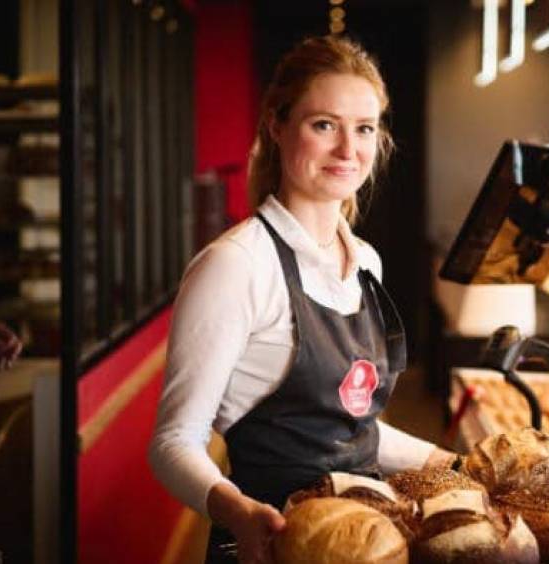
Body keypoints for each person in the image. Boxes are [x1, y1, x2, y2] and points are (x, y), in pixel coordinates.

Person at [148, 36, 455, 564]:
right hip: (269, 544)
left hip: (360, 540)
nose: (347, 150)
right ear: (277, 125)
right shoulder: (237, 265)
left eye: (364, 129)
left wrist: (448, 464)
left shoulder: (365, 262)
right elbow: (174, 441)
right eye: (323, 125)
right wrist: (238, 512)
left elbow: (345, 430)